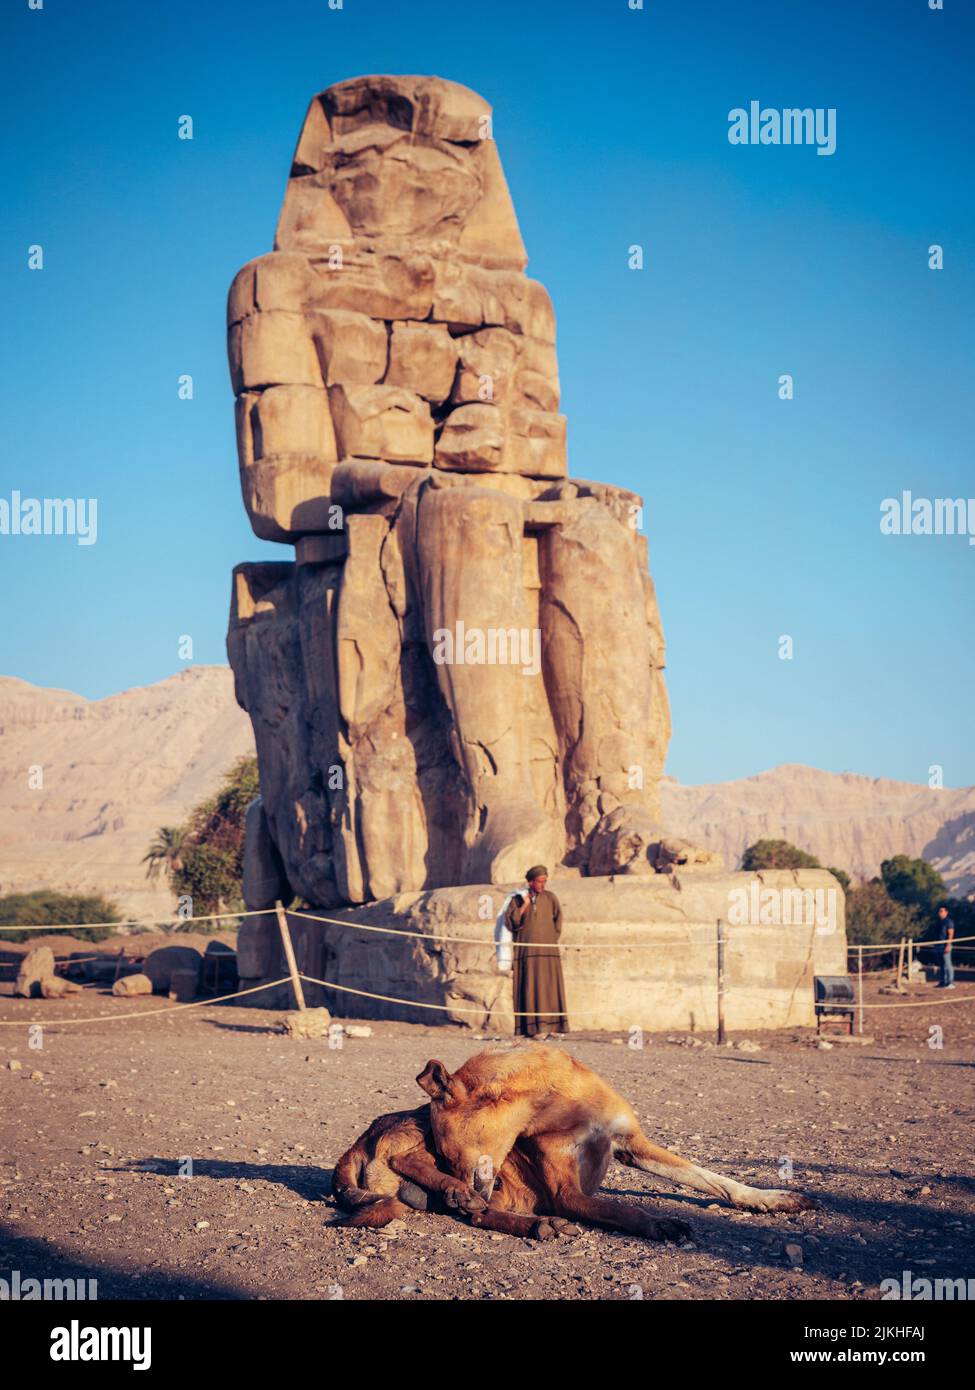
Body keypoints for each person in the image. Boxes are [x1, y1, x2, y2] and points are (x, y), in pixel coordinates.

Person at [505, 865, 568, 1038]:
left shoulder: (550, 897)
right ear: (531, 881)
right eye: (539, 881)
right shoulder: (517, 899)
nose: (542, 885)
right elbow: (512, 923)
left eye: (545, 881)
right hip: (527, 951)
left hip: (547, 951)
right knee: (531, 986)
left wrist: (549, 939)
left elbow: (558, 921)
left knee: (550, 986)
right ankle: (533, 1029)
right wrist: (525, 905)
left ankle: (553, 1028)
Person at [935, 904, 955, 989]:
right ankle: (943, 982)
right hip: (938, 945)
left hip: (945, 946)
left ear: (946, 912)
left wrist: (948, 945)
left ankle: (950, 982)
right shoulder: (939, 922)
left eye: (942, 911)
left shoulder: (948, 922)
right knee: (942, 965)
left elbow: (951, 934)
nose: (940, 913)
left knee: (948, 964)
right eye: (939, 911)